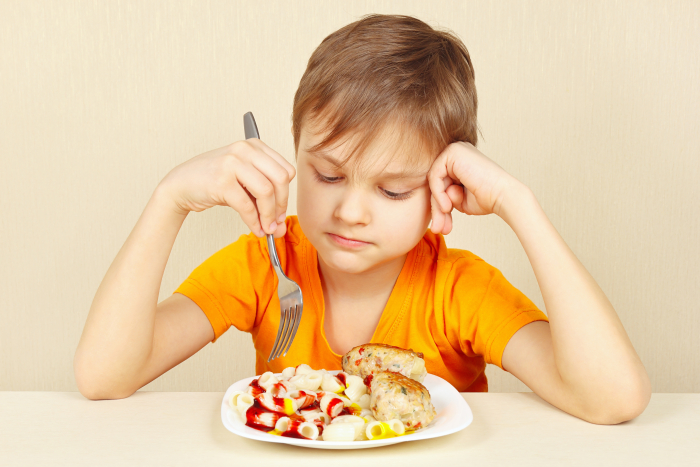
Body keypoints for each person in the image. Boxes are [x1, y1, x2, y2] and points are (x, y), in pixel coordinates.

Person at [74, 14, 650, 424]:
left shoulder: (458, 290)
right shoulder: (266, 264)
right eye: (326, 176)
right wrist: (168, 200)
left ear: (441, 188)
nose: (349, 211)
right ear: (296, 150)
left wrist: (519, 205)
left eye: (393, 190)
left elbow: (613, 398)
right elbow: (104, 377)